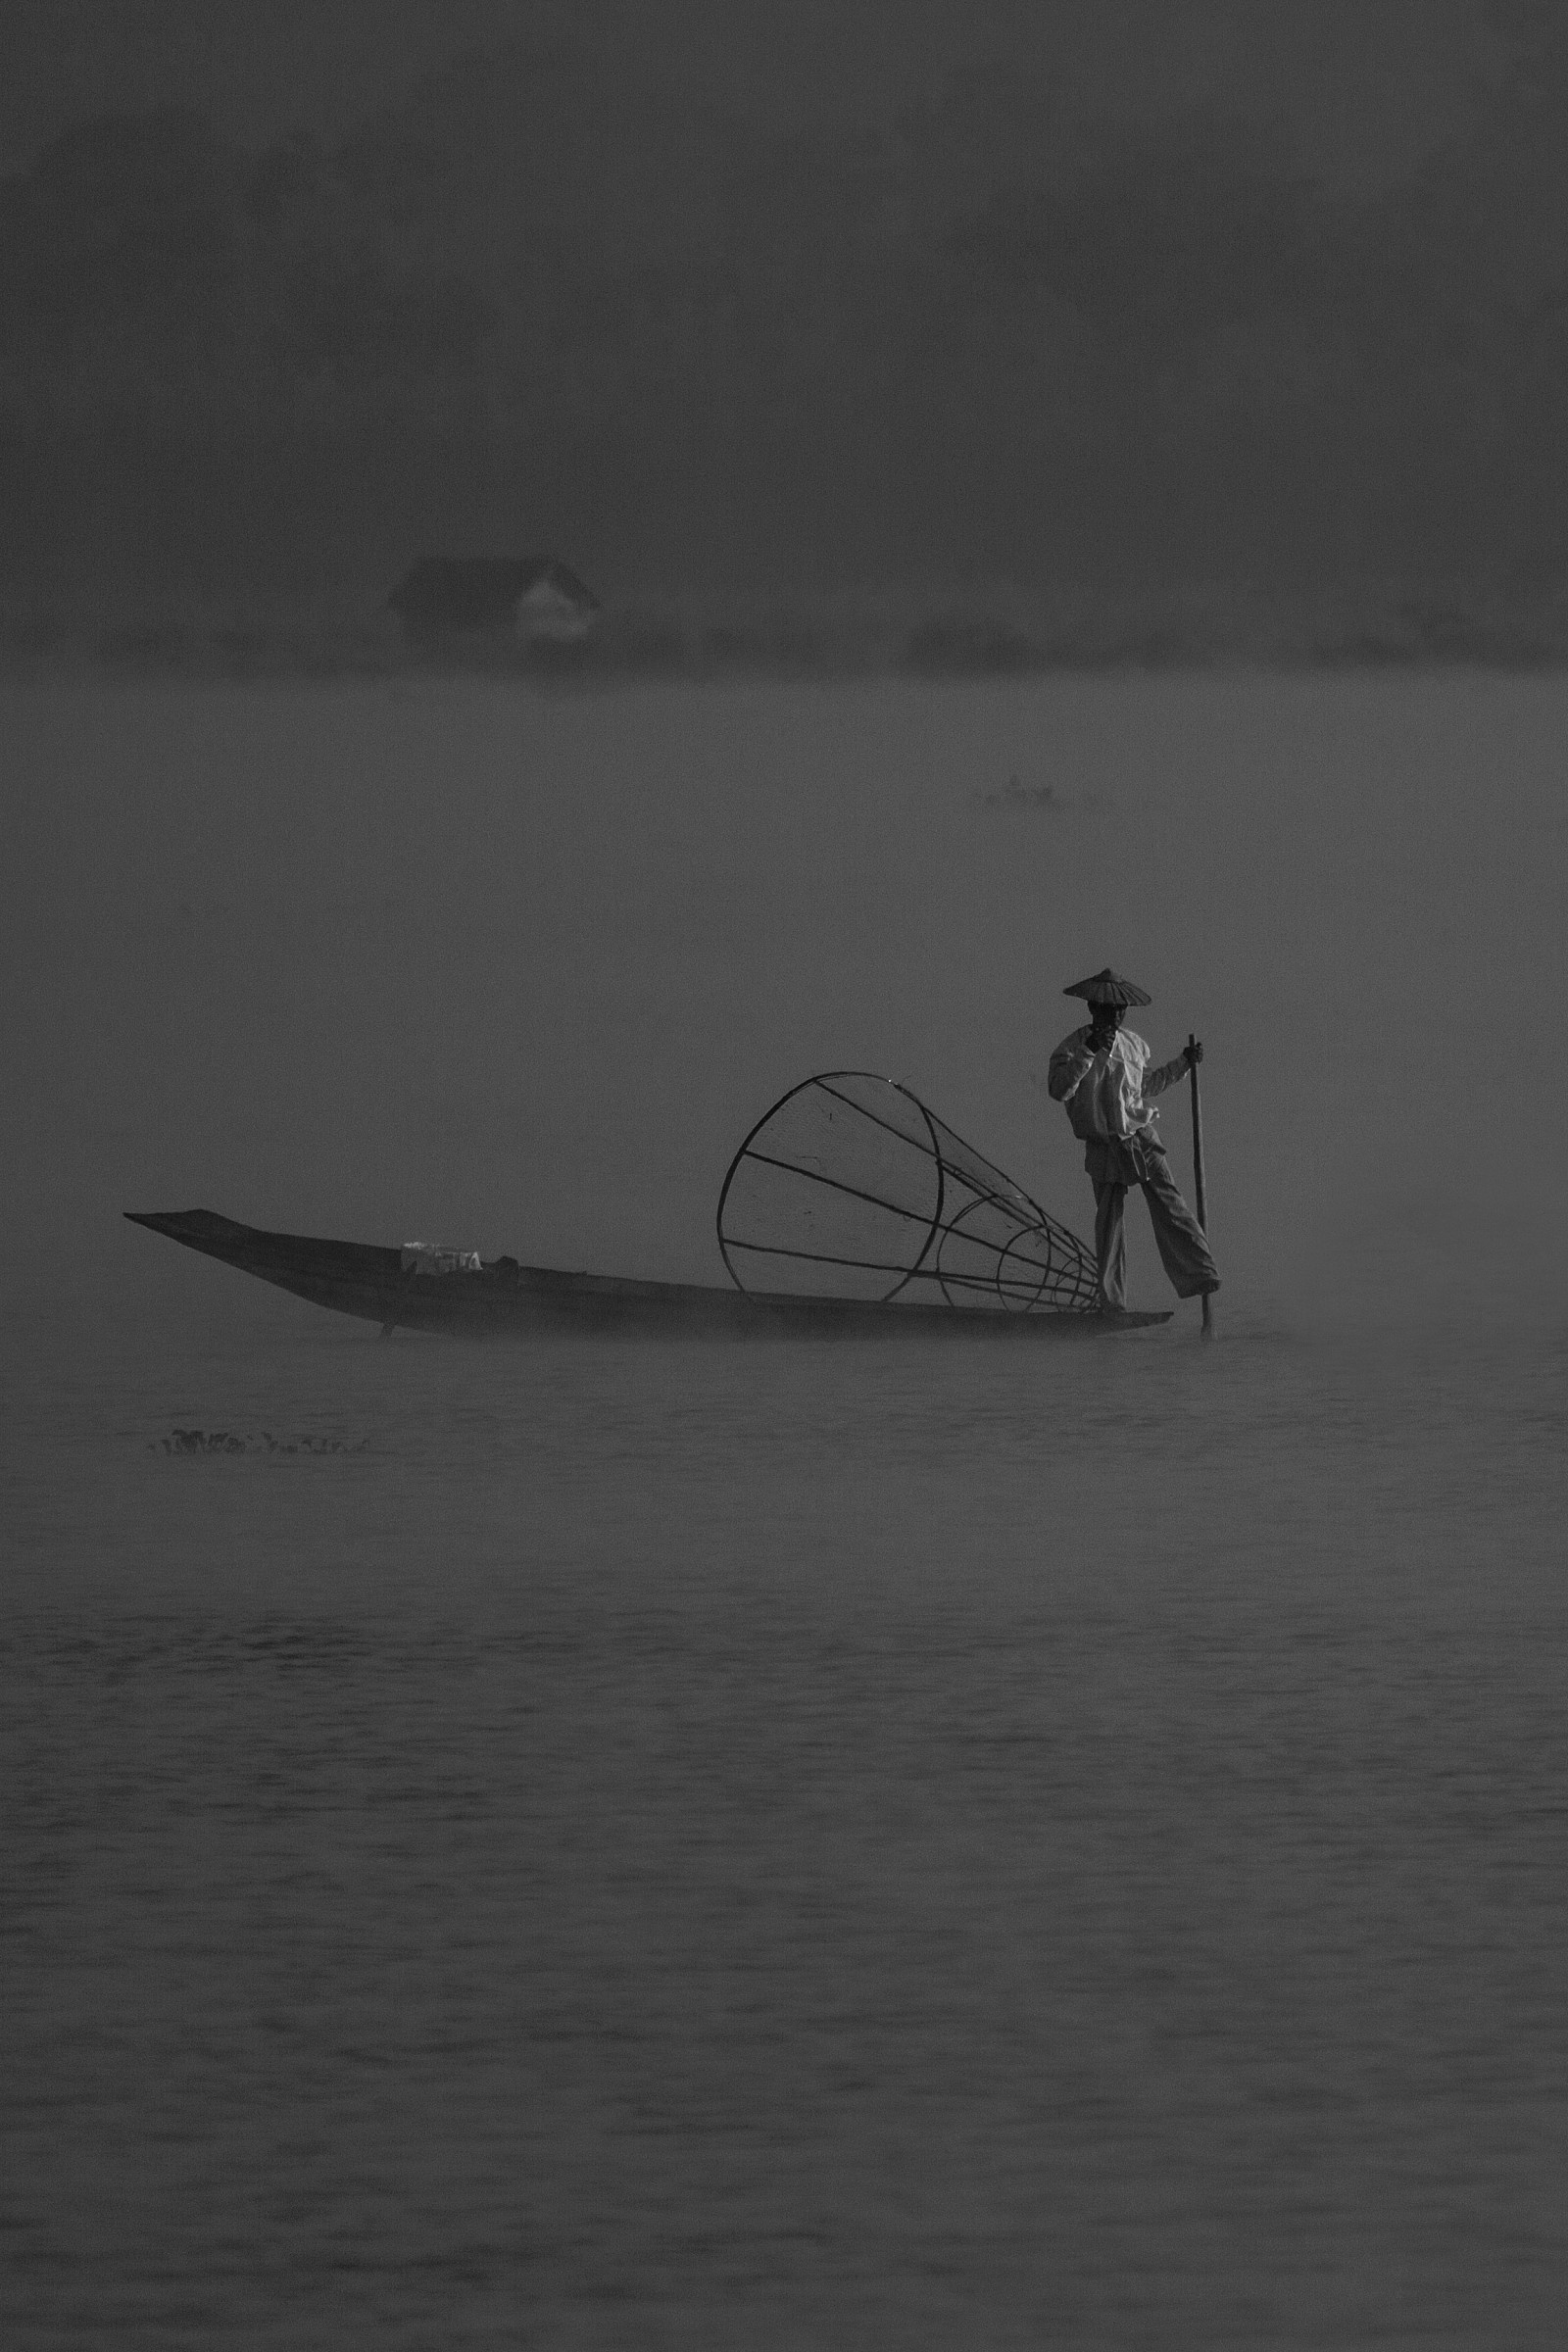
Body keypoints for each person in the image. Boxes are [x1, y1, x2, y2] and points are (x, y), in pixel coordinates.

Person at [1047, 966, 1220, 1312]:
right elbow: (1060, 1090)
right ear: (1093, 1010)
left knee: (1171, 1206)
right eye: (1109, 1010)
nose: (1115, 1016)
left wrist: (1183, 1065)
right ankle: (1112, 1303)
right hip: (1102, 1145)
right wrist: (1088, 1051)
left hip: (1139, 1137)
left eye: (1120, 1010)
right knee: (1110, 1225)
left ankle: (1200, 1274)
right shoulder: (1070, 1049)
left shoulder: (1134, 1046)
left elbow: (1146, 1088)